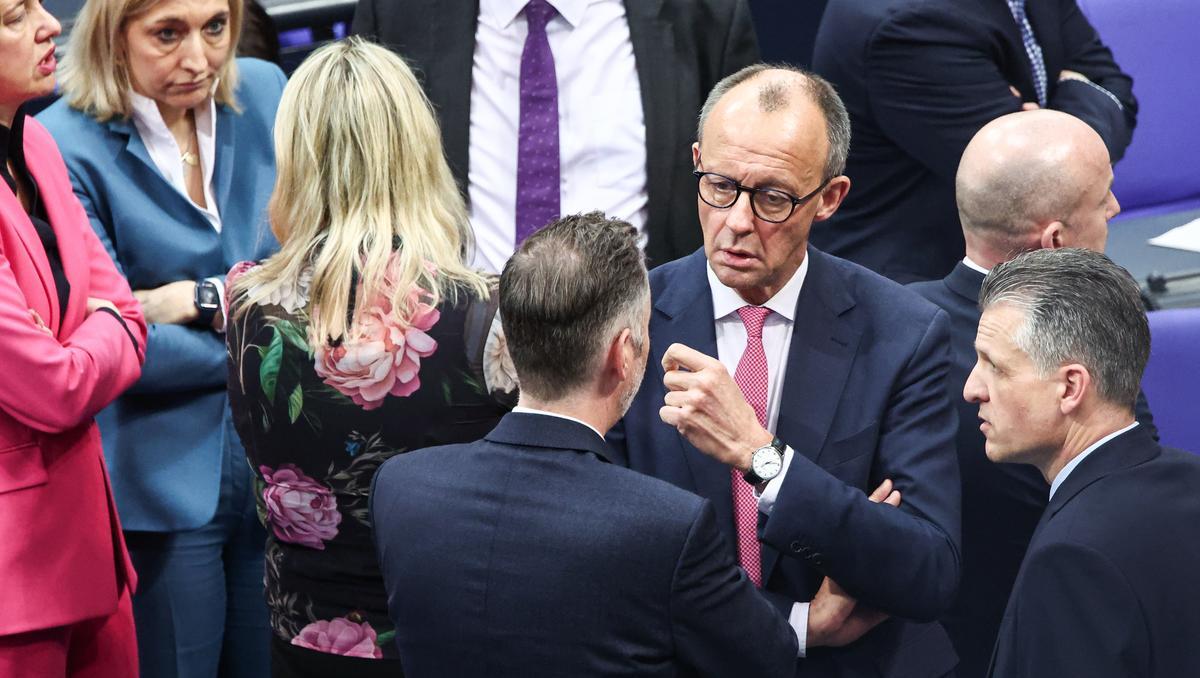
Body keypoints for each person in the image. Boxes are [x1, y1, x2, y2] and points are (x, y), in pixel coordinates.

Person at [609, 64, 962, 677]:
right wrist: (793, 626)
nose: (738, 221)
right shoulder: (625, 324)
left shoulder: (904, 333)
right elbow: (600, 561)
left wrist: (762, 457)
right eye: (719, 185)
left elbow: (926, 570)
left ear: (830, 198)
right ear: (697, 161)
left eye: (773, 197)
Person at [371, 211, 814, 676]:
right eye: (645, 333)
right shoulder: (667, 528)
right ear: (622, 353)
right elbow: (766, 659)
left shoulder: (400, 489)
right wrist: (807, 623)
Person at [226, 38, 512, 677]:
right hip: (449, 639)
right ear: (417, 149)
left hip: (304, 644)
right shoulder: (486, 313)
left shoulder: (246, 300)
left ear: (295, 155)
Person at [38, 0, 286, 673]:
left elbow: (320, 270)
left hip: (286, 475)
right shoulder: (61, 142)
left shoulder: (266, 92)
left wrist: (197, 301)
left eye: (215, 27)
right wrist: (274, 334)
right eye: (167, 34)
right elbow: (112, 343)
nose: (200, 59)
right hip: (159, 483)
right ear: (113, 36)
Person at [909, 109, 1157, 677]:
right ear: (1055, 242)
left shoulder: (883, 323)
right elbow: (1130, 502)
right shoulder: (1084, 354)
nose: (1117, 211)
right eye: (1104, 200)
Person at [351, 0, 759, 270]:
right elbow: (359, 200)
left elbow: (747, 191)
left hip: (646, 360)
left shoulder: (703, 14)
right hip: (454, 368)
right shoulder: (397, 13)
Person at [966, 248, 1200, 677]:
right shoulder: (1191, 478)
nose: (971, 389)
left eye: (994, 367)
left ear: (1071, 386)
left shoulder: (1071, 559)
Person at [0, 1, 148, 675]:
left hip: (90, 554)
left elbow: (125, 309)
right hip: (15, 585)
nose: (51, 24)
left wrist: (103, 324)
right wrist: (108, 326)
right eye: (12, 16)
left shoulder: (37, 142)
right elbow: (54, 390)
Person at [810, 0, 1137, 283]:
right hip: (920, 295)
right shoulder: (910, 24)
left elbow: (1114, 89)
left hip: (1022, 269)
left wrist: (1045, 120)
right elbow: (1030, 180)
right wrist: (1074, 91)